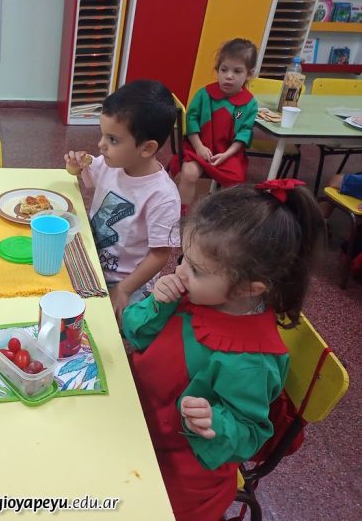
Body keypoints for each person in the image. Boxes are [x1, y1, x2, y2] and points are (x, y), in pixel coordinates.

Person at [122, 179, 324, 521]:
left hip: (180, 471)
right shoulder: (196, 293)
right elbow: (134, 333)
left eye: (195, 269)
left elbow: (250, 435)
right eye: (184, 258)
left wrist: (215, 422)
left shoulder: (250, 360)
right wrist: (156, 304)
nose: (180, 272)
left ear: (247, 289)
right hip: (133, 415)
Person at [65, 80, 181, 324]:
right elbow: (83, 175)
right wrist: (74, 166)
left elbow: (160, 254)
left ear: (147, 148)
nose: (101, 145)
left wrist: (125, 289)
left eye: (113, 140)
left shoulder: (163, 196)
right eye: (102, 134)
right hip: (92, 260)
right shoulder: (111, 164)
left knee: (106, 329)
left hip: (128, 280)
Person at [169, 38, 259, 210]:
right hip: (197, 148)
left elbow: (244, 134)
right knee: (189, 173)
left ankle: (220, 215)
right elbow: (191, 121)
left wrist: (226, 155)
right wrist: (199, 147)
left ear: (249, 74)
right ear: (217, 70)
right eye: (224, 70)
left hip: (228, 153)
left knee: (236, 183)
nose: (229, 76)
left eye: (237, 71)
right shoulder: (204, 94)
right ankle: (181, 214)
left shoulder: (250, 103)